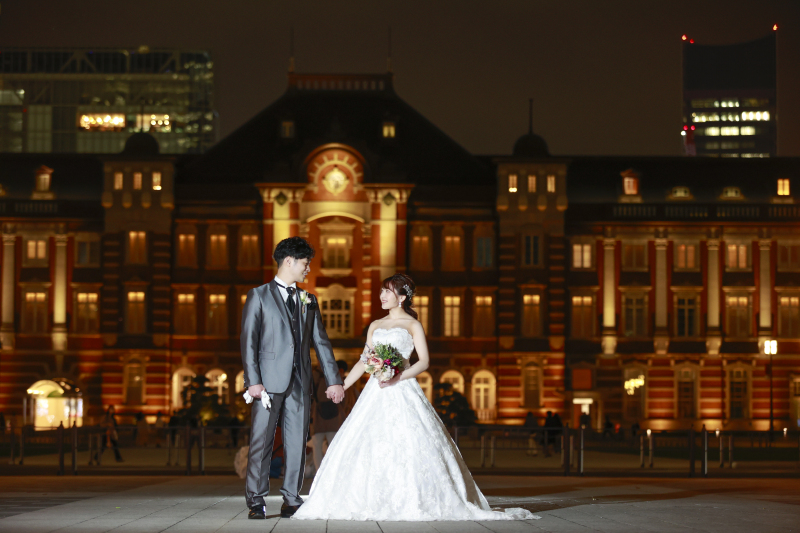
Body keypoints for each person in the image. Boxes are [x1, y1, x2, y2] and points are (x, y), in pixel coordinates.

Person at [293, 274, 537, 521]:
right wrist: (341, 385)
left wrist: (397, 376)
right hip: (375, 392)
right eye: (381, 291)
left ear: (401, 297)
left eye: (387, 292)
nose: (382, 296)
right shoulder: (375, 325)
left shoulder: (412, 325)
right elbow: (364, 361)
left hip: (402, 389)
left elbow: (424, 361)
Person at [241, 237, 344, 519]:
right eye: (305, 263)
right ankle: (256, 500)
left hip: (300, 384)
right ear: (289, 261)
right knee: (261, 442)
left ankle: (291, 497)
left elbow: (321, 343)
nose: (308, 269)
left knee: (297, 442)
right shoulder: (258, 295)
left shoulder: (308, 300)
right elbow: (248, 341)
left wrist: (334, 380)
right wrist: (253, 381)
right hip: (266, 384)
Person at [309, 360, 355, 474]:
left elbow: (308, 393)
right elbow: (345, 396)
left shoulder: (314, 375)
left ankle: (319, 472)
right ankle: (333, 471)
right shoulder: (335, 374)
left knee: (317, 446)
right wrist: (341, 409)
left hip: (318, 414)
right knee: (334, 446)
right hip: (335, 415)